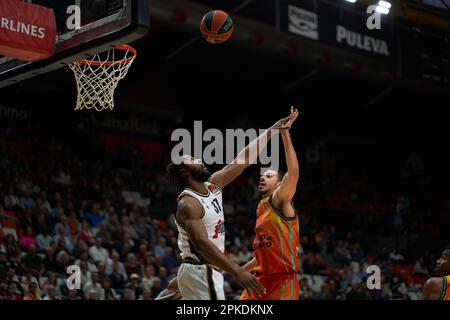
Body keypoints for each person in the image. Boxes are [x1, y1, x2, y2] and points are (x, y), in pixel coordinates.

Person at [166, 113, 292, 300]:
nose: (199, 159)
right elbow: (202, 245)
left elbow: (243, 160)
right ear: (185, 172)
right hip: (202, 270)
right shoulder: (188, 203)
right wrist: (238, 272)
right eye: (192, 159)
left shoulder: (213, 185)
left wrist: (272, 130)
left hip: (203, 271)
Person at [240, 107, 301, 300]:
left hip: (283, 281)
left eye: (269, 176)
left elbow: (294, 172)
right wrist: (235, 271)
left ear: (280, 184)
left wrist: (284, 134)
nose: (262, 178)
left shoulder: (280, 199)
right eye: (262, 175)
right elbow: (261, 254)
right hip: (259, 279)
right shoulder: (261, 208)